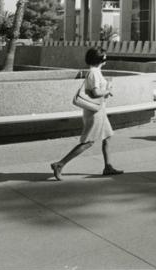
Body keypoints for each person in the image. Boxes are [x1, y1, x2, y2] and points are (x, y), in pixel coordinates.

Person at [51, 48, 123, 180]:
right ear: (101, 59)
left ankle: (108, 166)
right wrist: (108, 91)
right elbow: (96, 93)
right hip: (95, 112)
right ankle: (60, 164)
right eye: (105, 57)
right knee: (88, 142)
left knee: (107, 137)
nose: (106, 59)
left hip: (99, 110)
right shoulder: (94, 73)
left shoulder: (96, 72)